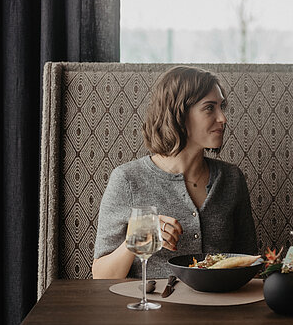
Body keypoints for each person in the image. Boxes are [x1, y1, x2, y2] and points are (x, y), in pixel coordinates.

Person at [92, 66, 257, 279]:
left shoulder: (232, 178)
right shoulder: (127, 180)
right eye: (209, 108)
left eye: (221, 107)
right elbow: (100, 276)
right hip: (152, 307)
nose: (223, 118)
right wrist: (137, 239)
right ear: (178, 113)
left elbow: (250, 262)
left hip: (220, 308)